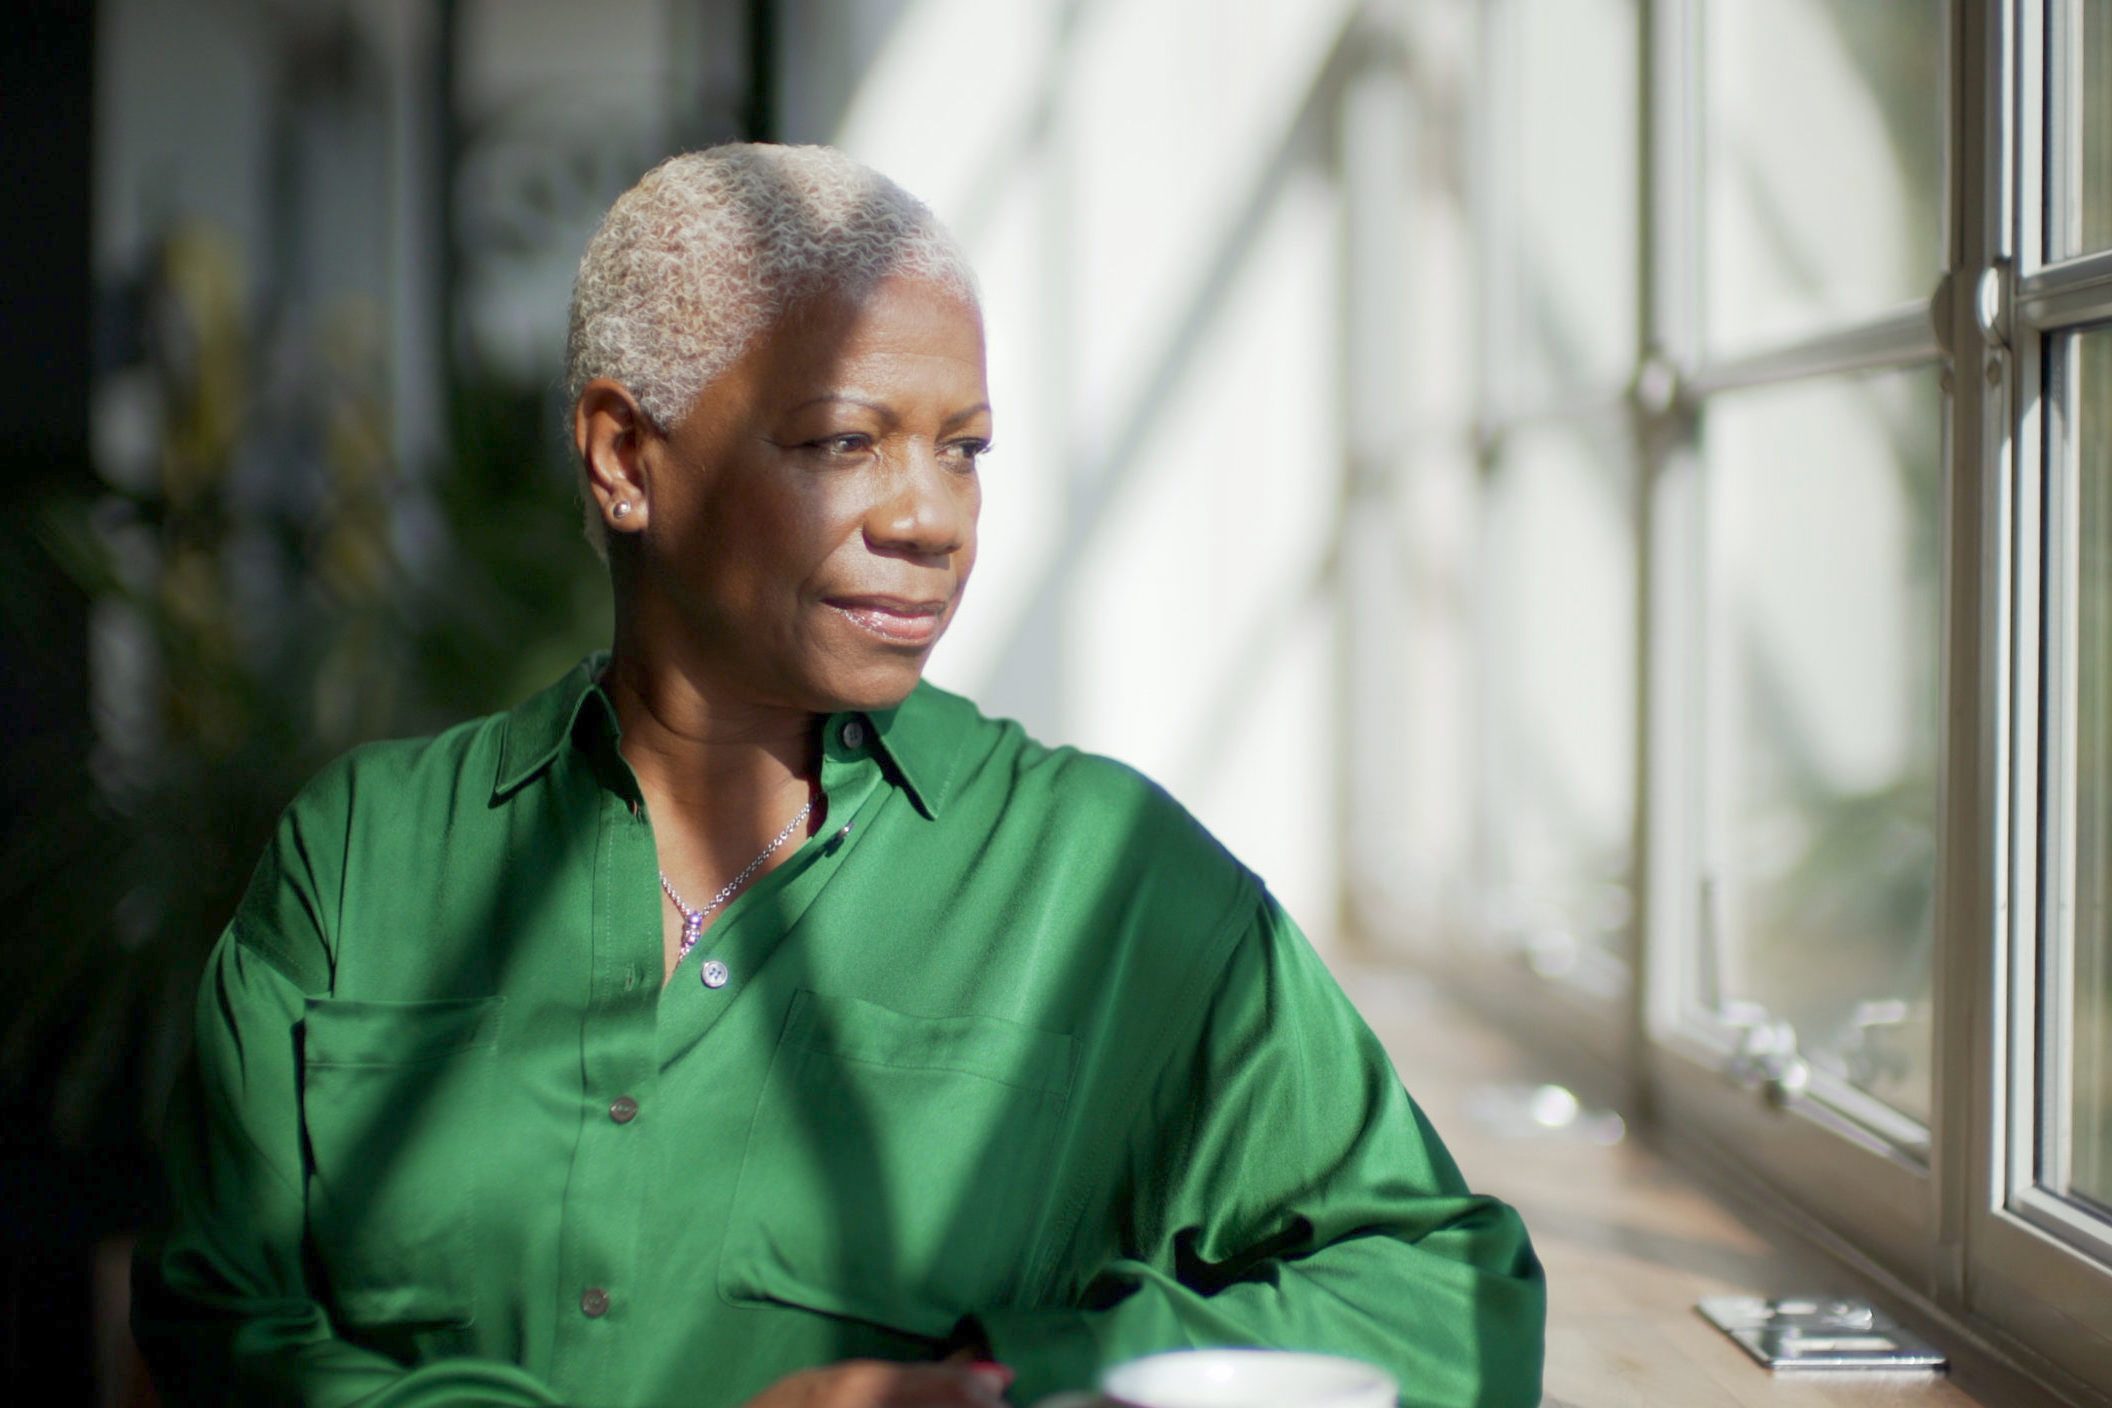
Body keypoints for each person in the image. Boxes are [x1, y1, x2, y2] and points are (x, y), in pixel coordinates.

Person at [133, 144, 1545, 1408]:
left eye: (965, 451)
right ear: (628, 456)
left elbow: (1445, 1298)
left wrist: (1014, 1384)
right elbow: (218, 1322)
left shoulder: (1104, 883)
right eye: (843, 444)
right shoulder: (364, 857)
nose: (931, 518)